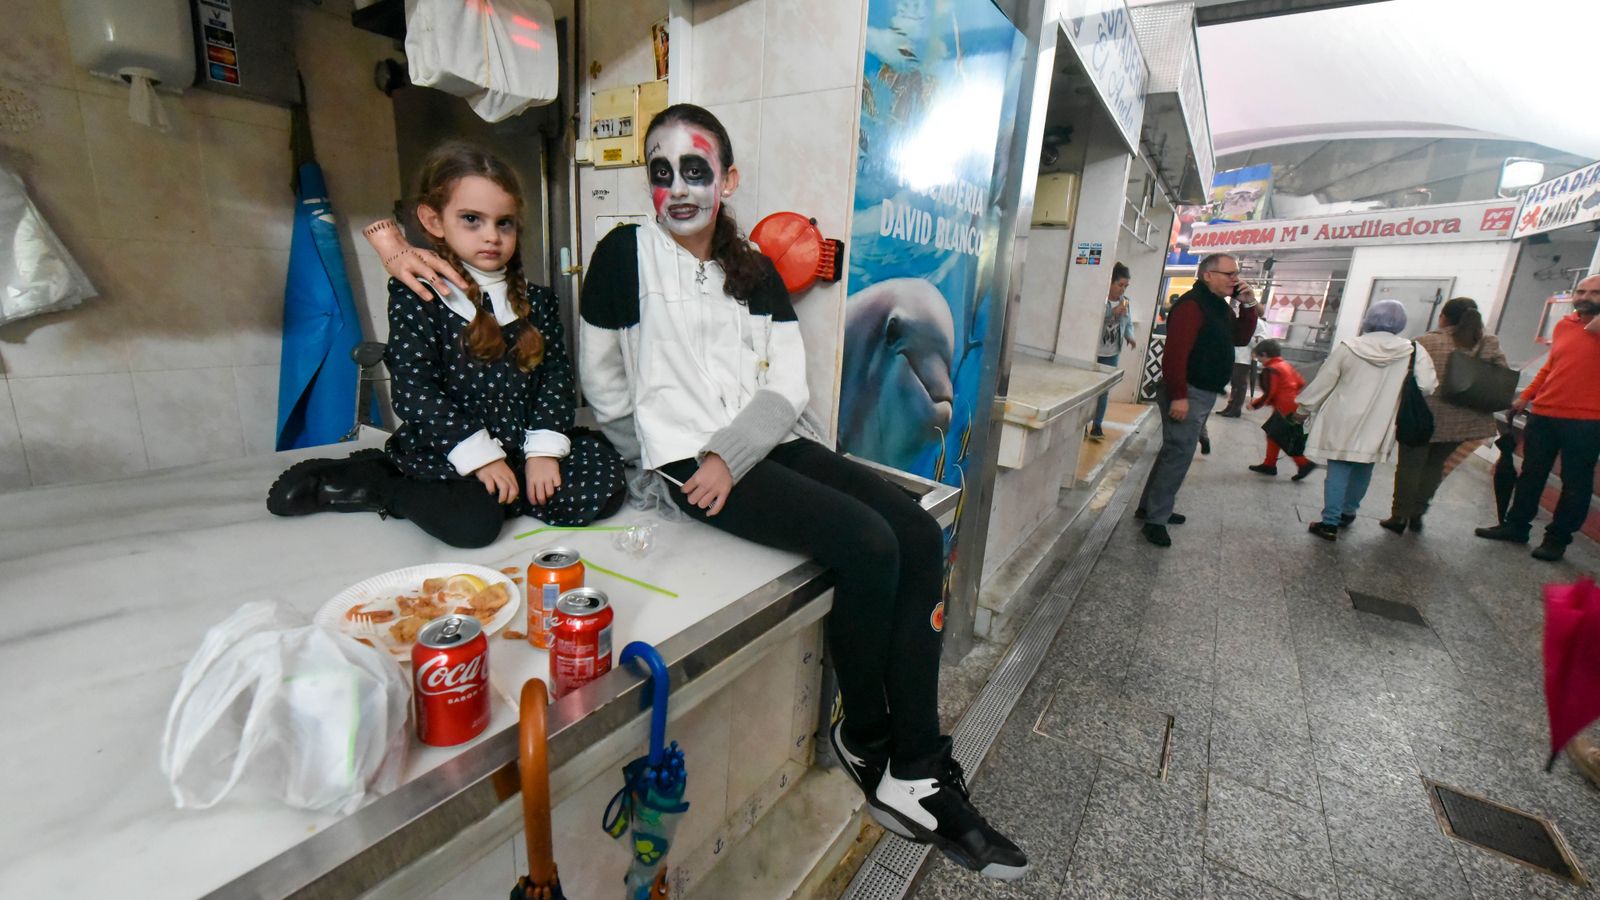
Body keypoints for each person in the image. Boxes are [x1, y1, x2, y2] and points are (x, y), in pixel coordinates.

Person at [369, 106, 1029, 880]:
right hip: (685, 465)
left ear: (728, 178)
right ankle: (874, 744)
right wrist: (653, 465)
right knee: (869, 542)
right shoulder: (624, 256)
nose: (677, 187)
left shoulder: (750, 265)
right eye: (660, 171)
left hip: (765, 445)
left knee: (917, 533)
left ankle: (919, 765)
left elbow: (786, 381)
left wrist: (735, 449)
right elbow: (603, 381)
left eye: (695, 169)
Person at [267, 142, 626, 547]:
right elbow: (415, 390)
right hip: (448, 443)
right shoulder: (419, 295)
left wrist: (543, 451)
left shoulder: (538, 300)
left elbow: (556, 380)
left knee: (602, 488)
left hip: (520, 443)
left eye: (504, 223)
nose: (492, 236)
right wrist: (481, 456)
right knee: (473, 526)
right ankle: (382, 481)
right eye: (472, 219)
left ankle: (507, 489)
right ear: (433, 220)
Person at [1136, 252, 1261, 547]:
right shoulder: (1192, 306)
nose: (1235, 279)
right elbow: (1175, 355)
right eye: (1229, 274)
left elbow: (1240, 338)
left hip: (1201, 391)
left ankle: (1151, 507)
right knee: (1179, 452)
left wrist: (1249, 305)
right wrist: (1179, 396)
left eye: (1236, 274)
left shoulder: (1218, 305)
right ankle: (1155, 519)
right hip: (1187, 391)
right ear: (1208, 275)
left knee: (1174, 451)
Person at [1476, 274, 1600, 561]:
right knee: (1531, 473)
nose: (1585, 296)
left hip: (1587, 421)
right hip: (1544, 413)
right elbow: (1550, 367)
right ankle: (1516, 526)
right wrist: (1526, 396)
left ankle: (1556, 539)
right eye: (1581, 290)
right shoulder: (1564, 325)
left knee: (1575, 482)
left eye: (1595, 292)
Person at [1293, 300, 1436, 541]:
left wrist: (1304, 409)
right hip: (1381, 420)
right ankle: (1348, 512)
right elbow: (1428, 385)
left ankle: (1329, 522)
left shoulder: (1350, 346)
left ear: (1369, 319)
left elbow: (1325, 380)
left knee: (1339, 466)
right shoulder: (1413, 350)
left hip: (1343, 416)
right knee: (1364, 465)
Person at [1383, 297, 1506, 534]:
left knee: (1410, 466)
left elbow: (1404, 377)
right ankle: (1418, 512)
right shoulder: (1488, 343)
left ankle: (1399, 516)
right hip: (1464, 419)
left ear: (1443, 317)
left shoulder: (1425, 342)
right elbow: (1501, 375)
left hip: (1422, 416)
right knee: (1435, 465)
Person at [1246, 339, 1317, 479]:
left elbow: (1269, 392)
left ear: (1265, 354)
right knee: (1274, 435)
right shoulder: (1285, 364)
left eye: (1259, 357)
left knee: (1284, 437)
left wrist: (1255, 404)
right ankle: (1269, 464)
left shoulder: (1271, 369)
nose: (1259, 361)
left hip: (1283, 407)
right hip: (1294, 404)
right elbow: (1301, 382)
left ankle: (1303, 464)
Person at [1089, 262, 1137, 440]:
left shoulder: (1126, 302)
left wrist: (1129, 336)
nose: (1122, 289)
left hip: (1112, 353)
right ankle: (1083, 425)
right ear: (1110, 282)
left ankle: (1097, 425)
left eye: (1126, 286)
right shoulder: (1099, 300)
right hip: (1094, 352)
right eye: (1120, 285)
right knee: (1088, 390)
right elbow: (1091, 319)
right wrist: (1112, 313)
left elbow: (1128, 323)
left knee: (1104, 391)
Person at [1217, 315, 1268, 418]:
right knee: (1234, 383)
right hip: (1235, 355)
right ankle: (1230, 406)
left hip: (1246, 357)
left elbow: (1262, 340)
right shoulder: (1241, 320)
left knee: (1240, 383)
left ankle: (1236, 409)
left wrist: (1246, 338)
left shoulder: (1258, 323)